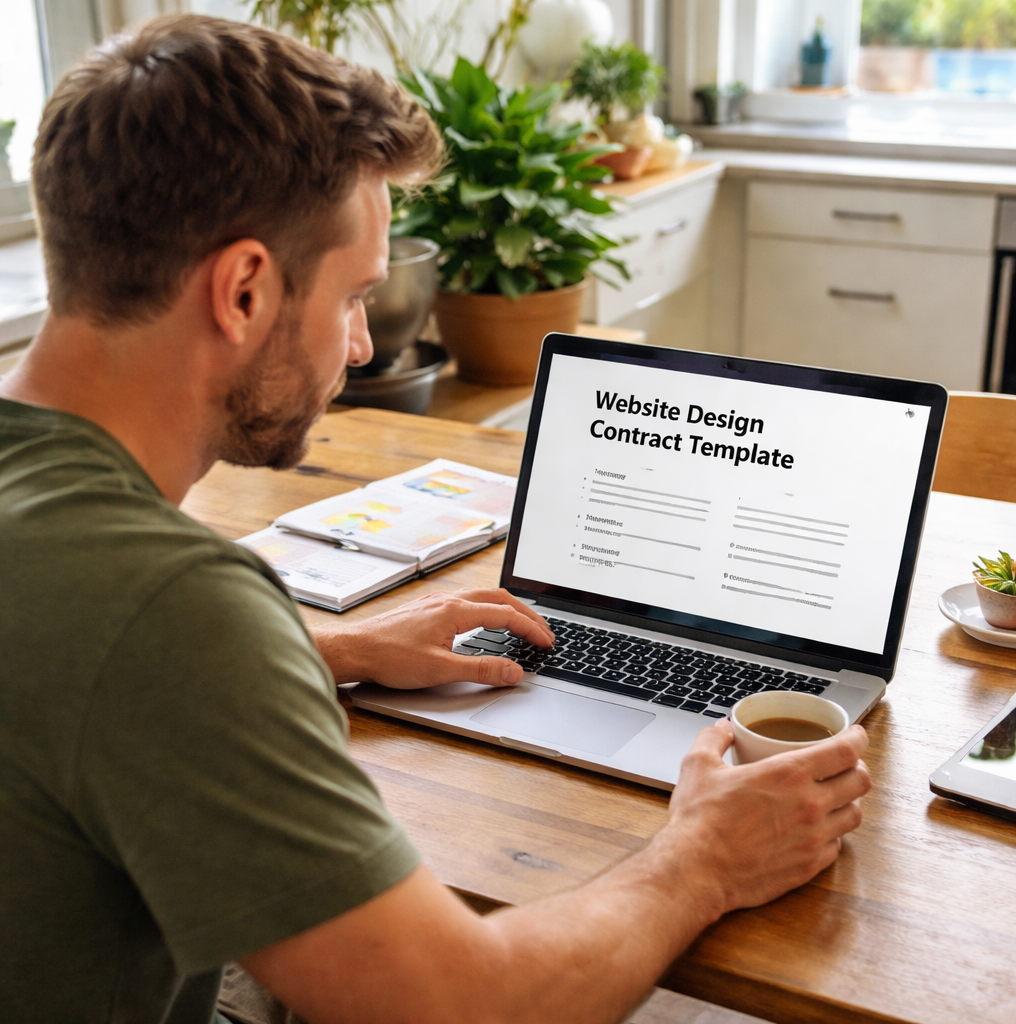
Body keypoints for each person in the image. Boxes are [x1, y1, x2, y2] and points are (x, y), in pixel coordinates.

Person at [0, 15, 871, 1024]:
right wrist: (705, 856)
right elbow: (458, 1004)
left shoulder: (83, 564)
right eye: (354, 296)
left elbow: (67, 663)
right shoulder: (168, 612)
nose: (363, 348)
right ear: (242, 290)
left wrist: (316, 647)